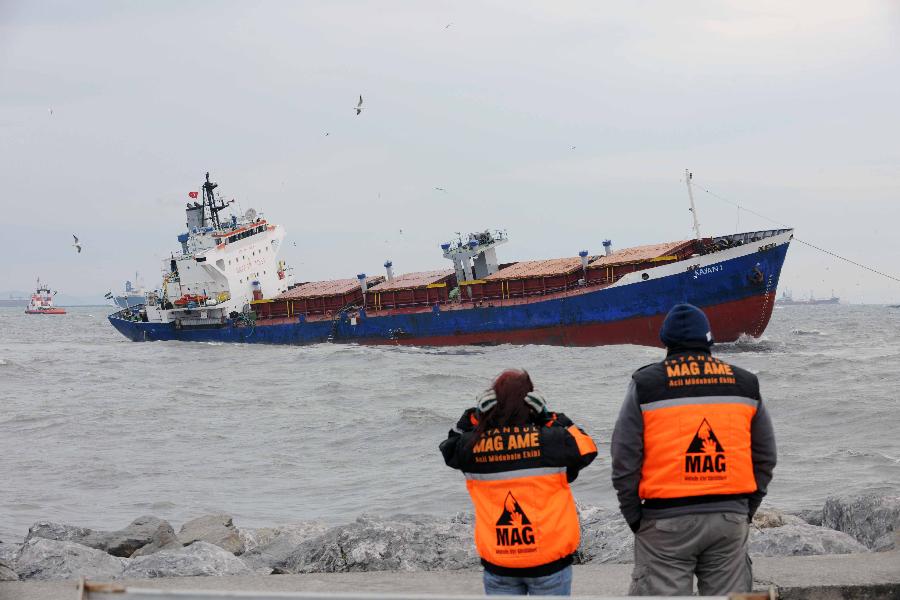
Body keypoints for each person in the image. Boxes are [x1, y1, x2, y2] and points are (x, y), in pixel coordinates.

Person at [611, 304, 777, 596]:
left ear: (665, 342)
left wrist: (635, 516)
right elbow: (765, 456)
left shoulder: (646, 385)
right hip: (729, 520)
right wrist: (746, 509)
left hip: (664, 522)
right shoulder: (745, 384)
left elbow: (624, 459)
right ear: (709, 340)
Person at [440, 369, 597, 596]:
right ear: (531, 402)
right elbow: (587, 447)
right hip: (549, 561)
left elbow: (449, 447)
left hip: (499, 562)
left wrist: (475, 416)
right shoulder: (552, 441)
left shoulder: (472, 445)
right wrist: (549, 417)